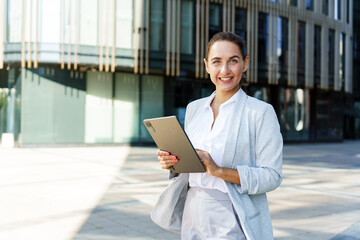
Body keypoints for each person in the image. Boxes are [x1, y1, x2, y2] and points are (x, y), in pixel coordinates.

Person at [156, 32, 283, 240]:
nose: (225, 70)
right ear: (207, 65)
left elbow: (272, 175)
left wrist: (219, 170)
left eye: (233, 61)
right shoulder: (194, 109)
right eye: (217, 62)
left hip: (231, 213)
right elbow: (190, 167)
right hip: (192, 210)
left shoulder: (260, 112)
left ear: (245, 63)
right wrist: (173, 161)